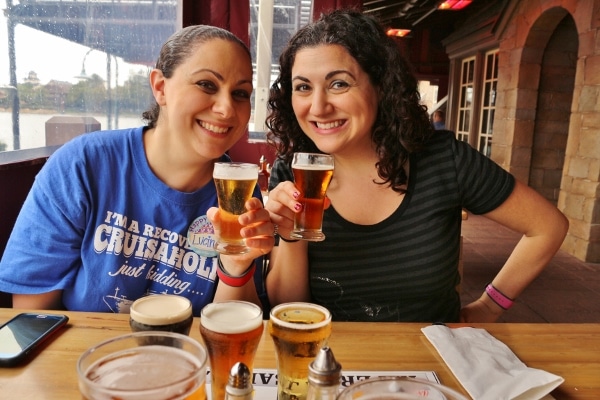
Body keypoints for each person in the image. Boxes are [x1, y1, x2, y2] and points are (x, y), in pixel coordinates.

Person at [264, 9, 568, 323]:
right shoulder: (293, 172)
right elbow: (290, 307)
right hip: (334, 361)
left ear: (380, 85)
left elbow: (548, 226)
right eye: (303, 87)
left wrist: (490, 306)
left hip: (432, 361)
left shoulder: (444, 159)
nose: (318, 106)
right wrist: (290, 237)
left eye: (339, 84)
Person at [0, 25, 275, 315]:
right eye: (207, 84)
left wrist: (235, 265)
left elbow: (231, 325)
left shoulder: (237, 189)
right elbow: (33, 316)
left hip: (188, 358)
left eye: (241, 93)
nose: (227, 109)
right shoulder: (83, 165)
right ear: (160, 87)